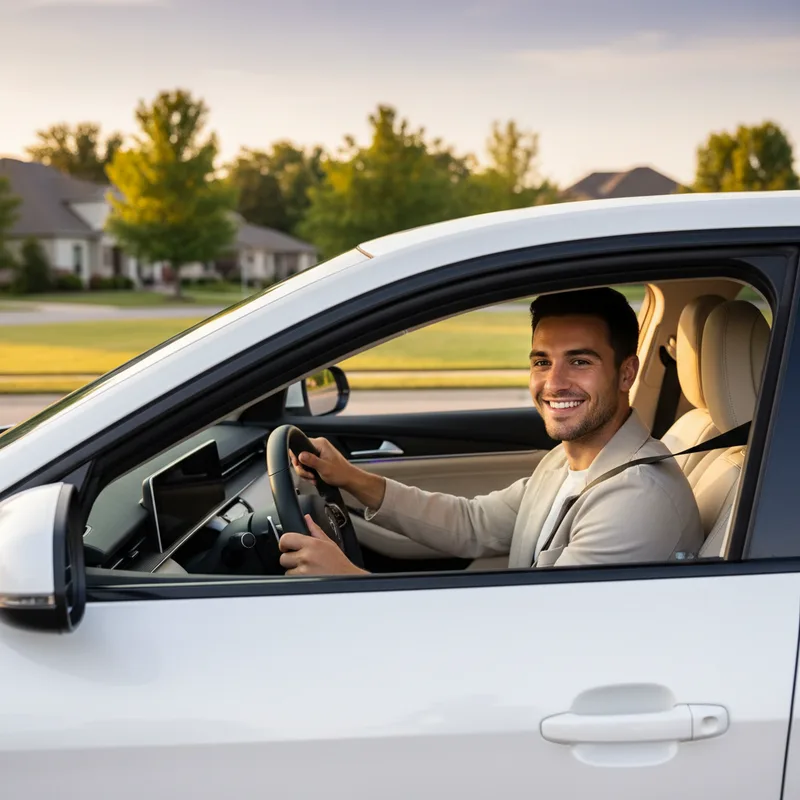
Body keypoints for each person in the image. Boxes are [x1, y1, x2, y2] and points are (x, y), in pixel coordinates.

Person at [278, 287, 704, 576]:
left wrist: (348, 582)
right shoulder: (566, 460)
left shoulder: (636, 497)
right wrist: (351, 479)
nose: (553, 383)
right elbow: (473, 523)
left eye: (579, 361)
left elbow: (530, 628)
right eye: (541, 361)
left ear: (626, 373)